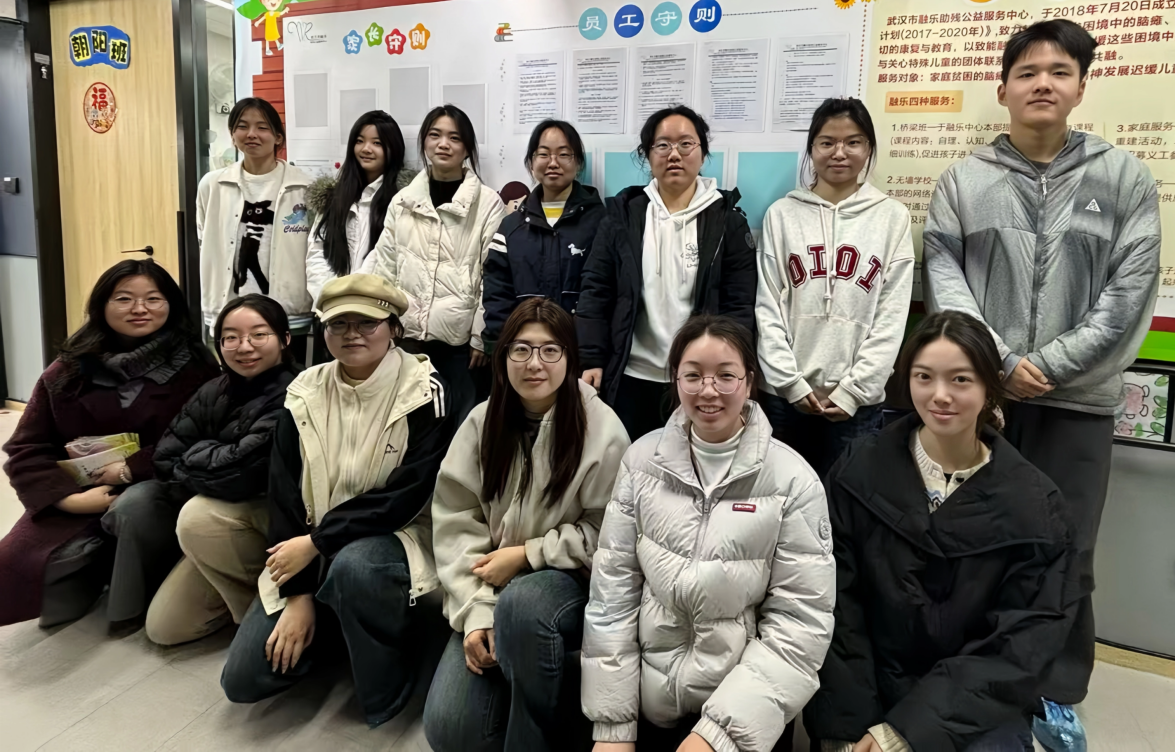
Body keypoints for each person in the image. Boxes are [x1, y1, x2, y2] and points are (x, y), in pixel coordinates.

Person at [922, 19, 1161, 751]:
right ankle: (966, 677)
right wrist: (996, 363)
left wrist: (1049, 364)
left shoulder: (1122, 178)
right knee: (970, 541)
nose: (1042, 84)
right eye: (1027, 72)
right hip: (981, 402)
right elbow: (944, 279)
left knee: (1065, 548)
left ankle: (1055, 690)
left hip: (1077, 404)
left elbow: (1129, 293)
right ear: (1002, 89)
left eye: (1059, 71)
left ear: (1081, 86)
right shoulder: (964, 181)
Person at [804, 310, 1076, 752]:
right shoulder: (859, 471)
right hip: (866, 688)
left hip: (974, 702)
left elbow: (1022, 643)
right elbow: (834, 604)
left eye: (961, 380)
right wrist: (850, 727)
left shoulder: (1036, 507)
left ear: (991, 386)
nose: (940, 395)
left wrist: (906, 731)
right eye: (924, 377)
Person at [582, 315, 834, 752]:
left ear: (749, 382)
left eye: (725, 376)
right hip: (649, 704)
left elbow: (800, 624)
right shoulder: (640, 463)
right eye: (693, 375)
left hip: (745, 718)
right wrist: (613, 727)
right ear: (675, 380)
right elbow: (612, 597)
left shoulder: (794, 481)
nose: (709, 390)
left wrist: (718, 736)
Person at [219, 274, 455, 726]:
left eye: (367, 323)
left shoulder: (425, 390)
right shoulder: (304, 389)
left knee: (355, 568)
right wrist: (297, 594)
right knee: (243, 681)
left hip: (394, 537)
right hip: (312, 543)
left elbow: (406, 495)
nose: (352, 334)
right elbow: (284, 492)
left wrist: (318, 542)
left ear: (394, 329)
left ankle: (392, 664)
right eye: (338, 324)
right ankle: (336, 622)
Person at [424, 298, 629, 752]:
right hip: (489, 583)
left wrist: (529, 554)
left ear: (570, 358)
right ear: (502, 357)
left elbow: (611, 531)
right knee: (451, 731)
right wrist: (476, 612)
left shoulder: (603, 428)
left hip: (567, 582)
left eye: (550, 350)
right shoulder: (482, 421)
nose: (534, 363)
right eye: (520, 349)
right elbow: (456, 521)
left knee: (525, 603)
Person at [0, 260, 218, 629]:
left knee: (134, 508)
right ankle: (93, 567)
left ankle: (130, 605)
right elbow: (27, 447)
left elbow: (201, 440)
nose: (139, 308)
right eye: (124, 298)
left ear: (171, 305)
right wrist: (65, 499)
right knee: (18, 566)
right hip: (82, 491)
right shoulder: (67, 369)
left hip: (157, 488)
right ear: (101, 305)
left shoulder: (197, 366)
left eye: (153, 298)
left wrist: (131, 470)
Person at [576, 106, 757, 439]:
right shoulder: (622, 216)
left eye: (685, 144)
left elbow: (739, 305)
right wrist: (591, 358)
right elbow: (596, 289)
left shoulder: (728, 222)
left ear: (702, 153)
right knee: (628, 461)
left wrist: (731, 372)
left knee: (691, 464)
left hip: (699, 381)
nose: (674, 154)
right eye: (662, 145)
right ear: (647, 155)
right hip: (630, 376)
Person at [755, 97, 914, 476]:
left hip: (858, 403)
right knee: (778, 495)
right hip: (783, 399)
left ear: (869, 148)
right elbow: (767, 307)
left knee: (847, 499)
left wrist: (853, 391)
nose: (839, 153)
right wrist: (791, 384)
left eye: (853, 142)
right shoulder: (782, 215)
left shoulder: (892, 217)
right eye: (827, 142)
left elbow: (891, 317)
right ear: (812, 149)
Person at [145, 294, 301, 645]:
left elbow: (243, 475)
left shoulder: (298, 392)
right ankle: (247, 594)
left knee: (198, 514)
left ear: (285, 339)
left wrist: (196, 458)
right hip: (224, 522)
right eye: (231, 337)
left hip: (278, 519)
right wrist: (214, 461)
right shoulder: (214, 389)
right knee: (166, 629)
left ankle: (267, 613)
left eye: (258, 335)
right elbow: (164, 459)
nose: (244, 347)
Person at [370, 104, 505, 429]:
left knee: (459, 430)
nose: (443, 144)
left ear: (467, 148)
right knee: (408, 428)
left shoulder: (488, 204)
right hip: (406, 340)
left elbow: (492, 277)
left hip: (461, 347)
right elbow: (385, 267)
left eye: (454, 138)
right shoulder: (403, 200)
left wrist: (480, 336)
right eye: (435, 135)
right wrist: (383, 326)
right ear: (425, 142)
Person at [198, 97, 312, 363]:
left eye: (262, 127)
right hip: (229, 312)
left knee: (289, 381)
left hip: (288, 312)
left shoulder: (305, 187)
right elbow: (205, 238)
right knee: (235, 382)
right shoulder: (212, 185)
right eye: (242, 126)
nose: (251, 134)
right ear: (232, 134)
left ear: (278, 137)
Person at [482, 120, 606, 352]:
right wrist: (498, 349)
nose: (553, 162)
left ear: (578, 162)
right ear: (531, 162)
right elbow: (496, 294)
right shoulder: (510, 227)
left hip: (580, 352)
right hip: (525, 353)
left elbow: (606, 294)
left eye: (564, 154)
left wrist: (593, 355)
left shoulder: (601, 222)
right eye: (543, 154)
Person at [306, 110, 413, 361]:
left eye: (377, 143)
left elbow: (388, 257)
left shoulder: (404, 200)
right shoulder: (334, 196)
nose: (366, 149)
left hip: (376, 317)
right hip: (331, 316)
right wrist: (331, 300)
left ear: (393, 149)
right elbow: (316, 253)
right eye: (360, 141)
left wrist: (356, 301)